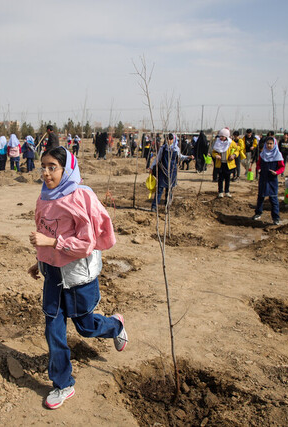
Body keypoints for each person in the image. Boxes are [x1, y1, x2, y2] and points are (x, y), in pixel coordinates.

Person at [27, 146, 127, 410]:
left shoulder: (79, 197)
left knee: (85, 326)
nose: (46, 173)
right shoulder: (44, 197)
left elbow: (86, 243)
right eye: (43, 167)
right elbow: (44, 231)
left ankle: (115, 326)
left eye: (53, 167)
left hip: (78, 276)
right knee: (54, 330)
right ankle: (63, 384)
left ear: (66, 169)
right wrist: (39, 262)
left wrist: (49, 241)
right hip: (53, 275)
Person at [252, 137, 285, 224]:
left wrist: (277, 172)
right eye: (268, 143)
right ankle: (258, 213)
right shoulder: (263, 154)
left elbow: (282, 167)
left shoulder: (278, 155)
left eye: (271, 144)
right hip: (263, 178)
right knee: (261, 197)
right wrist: (258, 169)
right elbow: (258, 164)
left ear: (274, 144)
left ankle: (275, 218)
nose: (269, 145)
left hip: (272, 179)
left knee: (273, 198)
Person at [150, 133, 185, 211]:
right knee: (159, 189)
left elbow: (180, 157)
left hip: (172, 172)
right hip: (163, 171)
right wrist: (152, 167)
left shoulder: (176, 149)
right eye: (168, 139)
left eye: (171, 139)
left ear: (174, 139)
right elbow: (157, 158)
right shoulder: (163, 148)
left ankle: (167, 206)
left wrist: (188, 157)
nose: (169, 140)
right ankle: (154, 206)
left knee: (169, 191)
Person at [211, 128, 238, 198]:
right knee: (220, 178)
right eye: (220, 136)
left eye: (222, 136)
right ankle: (220, 192)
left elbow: (237, 150)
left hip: (228, 164)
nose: (221, 138)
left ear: (226, 136)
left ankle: (227, 191)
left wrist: (234, 155)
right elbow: (213, 152)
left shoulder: (231, 143)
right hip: (220, 164)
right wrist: (216, 155)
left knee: (228, 178)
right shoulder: (217, 142)